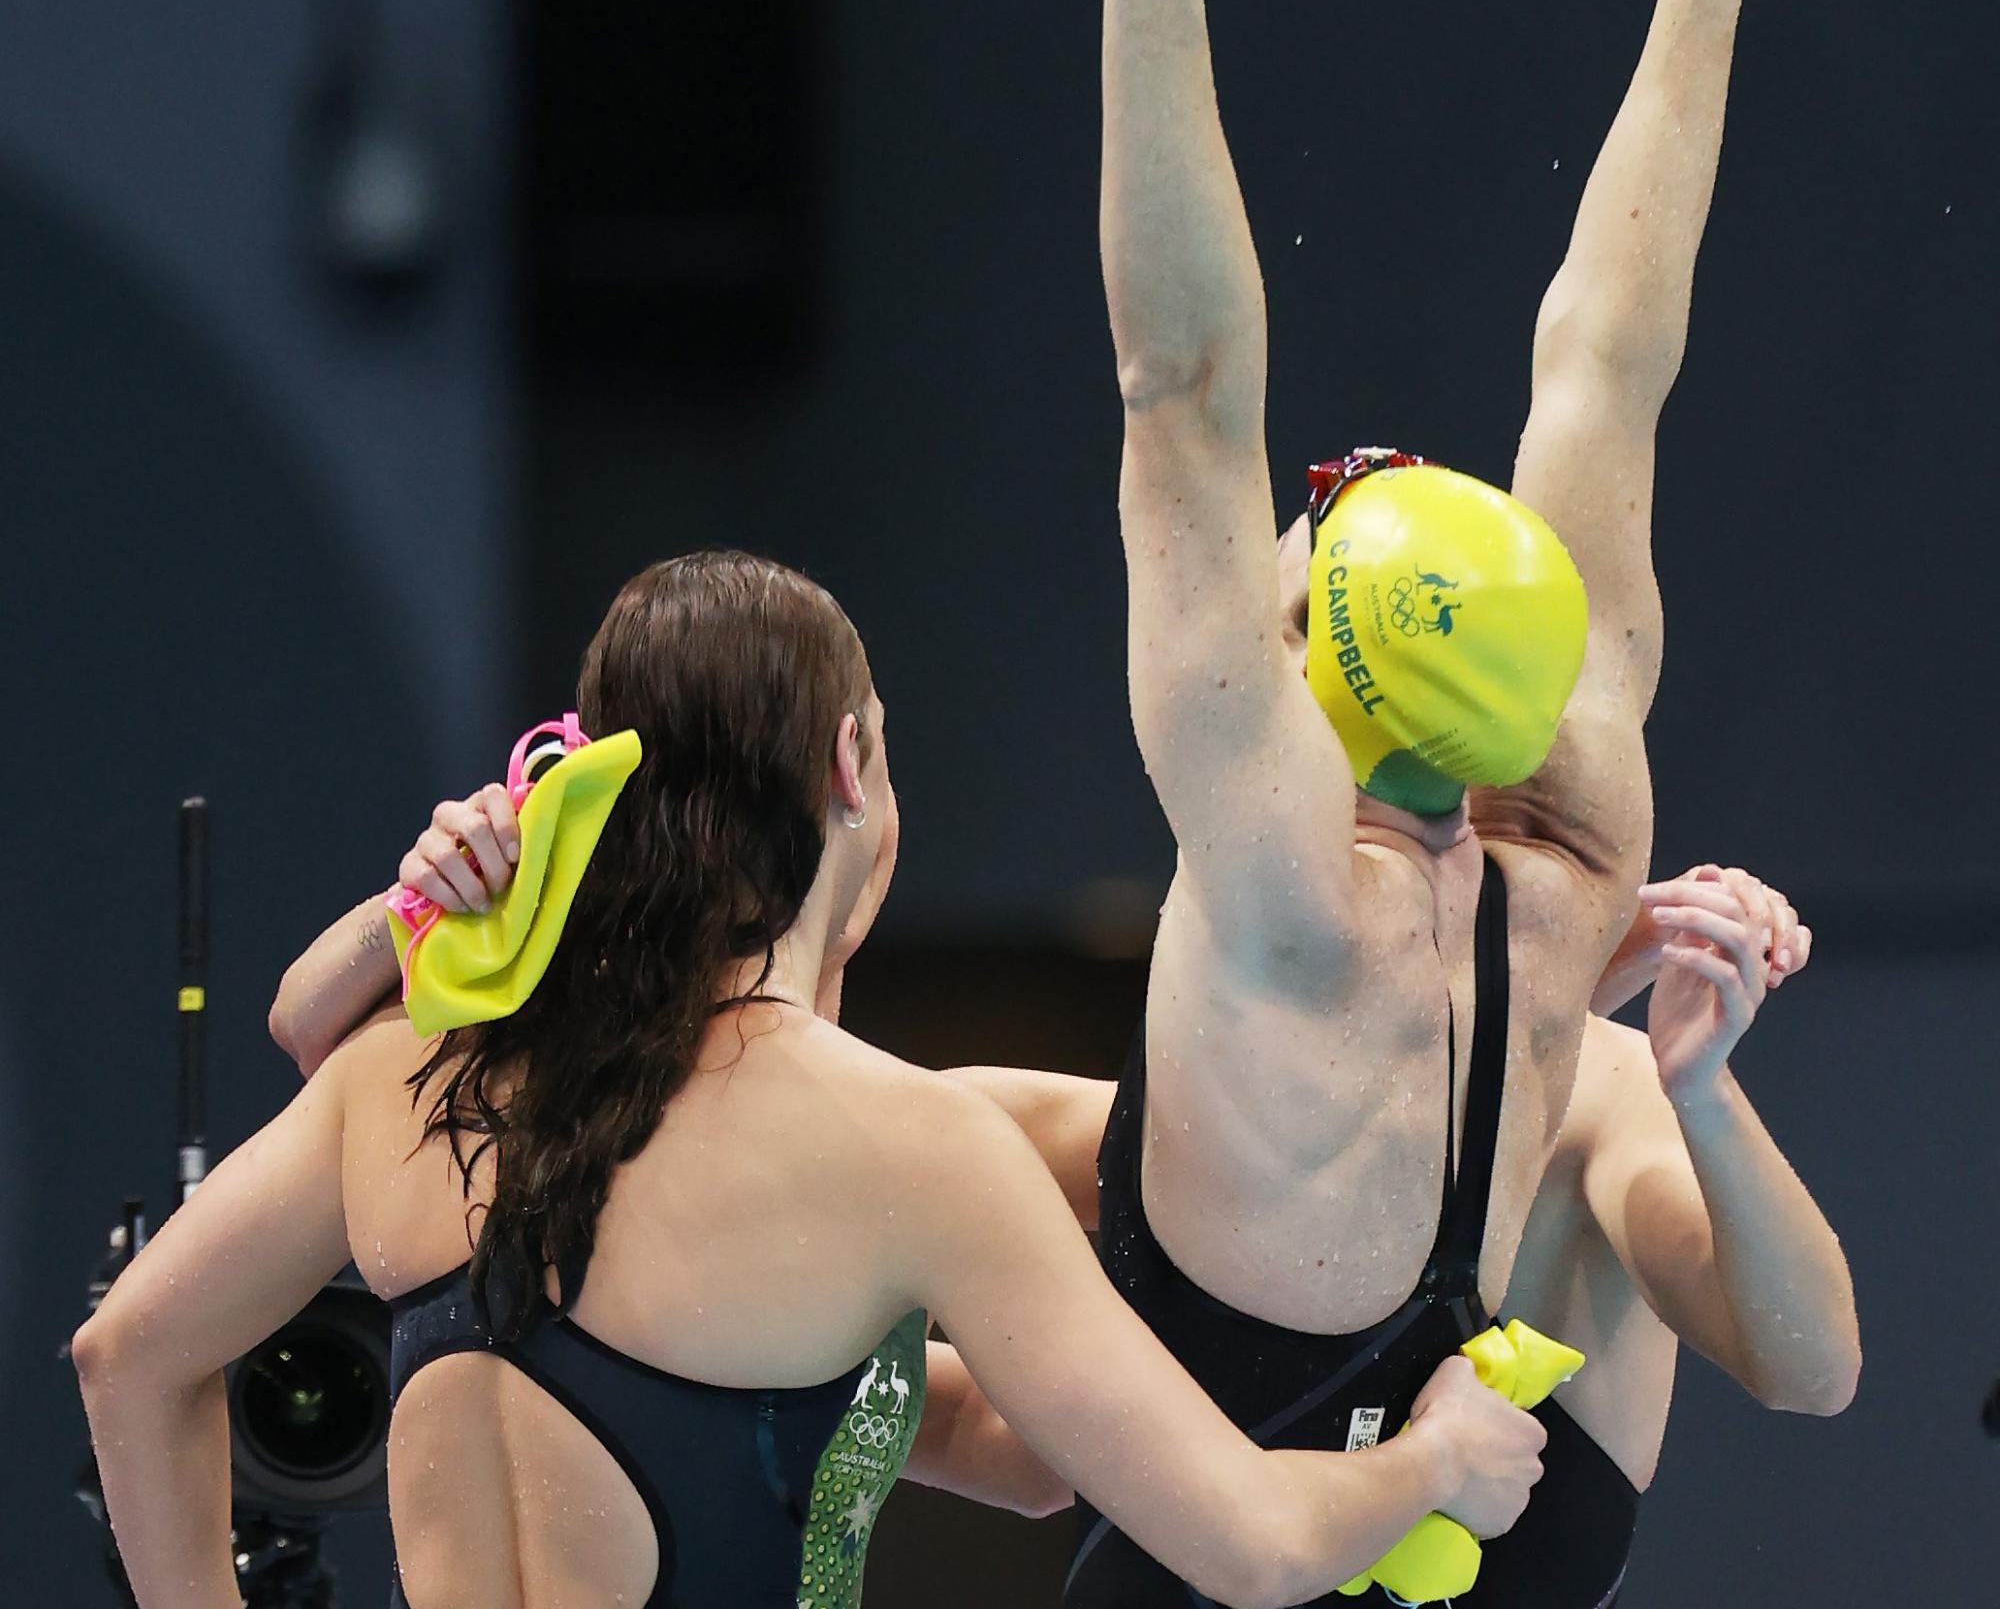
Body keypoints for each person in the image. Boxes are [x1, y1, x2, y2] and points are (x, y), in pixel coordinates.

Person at [75, 552, 1546, 1609]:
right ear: (853, 766)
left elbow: (125, 1355)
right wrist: (1435, 1467)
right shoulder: (907, 1149)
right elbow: (1257, 1549)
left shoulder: (400, 1080)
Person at [1072, 0, 1828, 1600]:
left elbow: (1183, 378)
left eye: (1304, 528)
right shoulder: (1574, 861)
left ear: (1311, 664)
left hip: (1216, 1545)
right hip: (1446, 1506)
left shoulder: (1273, 879)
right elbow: (1612, 356)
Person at [959, 860, 1860, 1605]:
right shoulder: (1243, 1120)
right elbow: (910, 1141)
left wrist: (1700, 1090)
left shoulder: (1599, 1105)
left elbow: (1810, 1370)